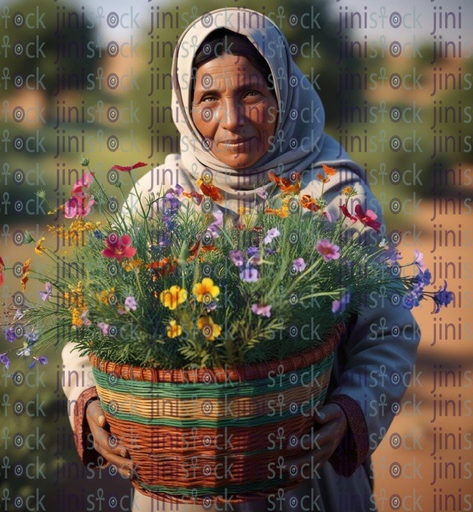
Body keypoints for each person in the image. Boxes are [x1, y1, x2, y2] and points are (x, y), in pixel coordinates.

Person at [62, 8, 420, 511]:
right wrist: (89, 399)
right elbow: (91, 324)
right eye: (209, 99)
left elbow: (388, 332)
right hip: (181, 490)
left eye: (251, 93)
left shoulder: (334, 195)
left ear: (283, 96)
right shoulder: (159, 196)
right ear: (186, 108)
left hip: (305, 481)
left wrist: (349, 409)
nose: (231, 120)